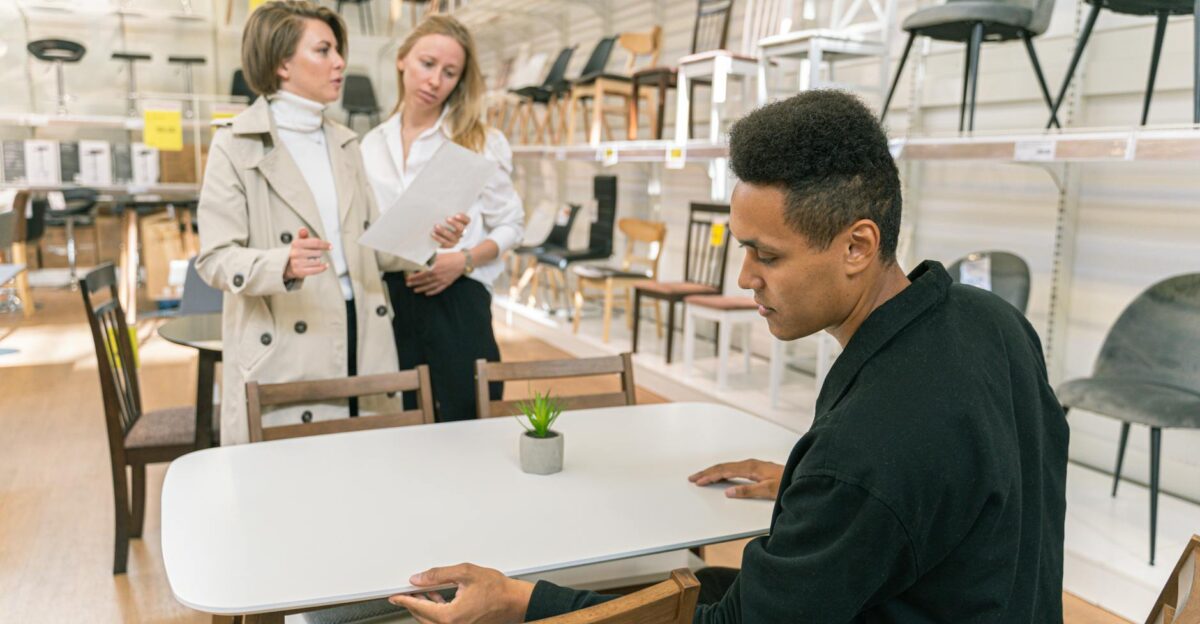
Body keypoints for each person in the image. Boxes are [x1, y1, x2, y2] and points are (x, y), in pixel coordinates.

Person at [385, 91, 1070, 622]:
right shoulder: (990, 321)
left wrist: (521, 601)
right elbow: (958, 482)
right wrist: (813, 487)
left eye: (766, 255)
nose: (745, 278)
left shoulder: (865, 457)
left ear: (857, 246)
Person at [195, 0, 466, 445]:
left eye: (338, 50)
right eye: (323, 50)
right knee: (298, 472)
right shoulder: (235, 145)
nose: (340, 62)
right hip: (290, 336)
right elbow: (215, 259)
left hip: (365, 330)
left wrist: (429, 236)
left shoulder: (345, 143)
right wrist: (282, 263)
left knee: (367, 463)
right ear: (282, 63)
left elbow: (372, 246)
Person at [360, 15, 524, 423]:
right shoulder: (369, 145)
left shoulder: (480, 140)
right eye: (427, 63)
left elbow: (512, 224)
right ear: (402, 59)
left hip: (458, 300)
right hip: (389, 304)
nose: (435, 80)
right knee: (397, 422)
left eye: (450, 73)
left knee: (467, 420)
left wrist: (463, 259)